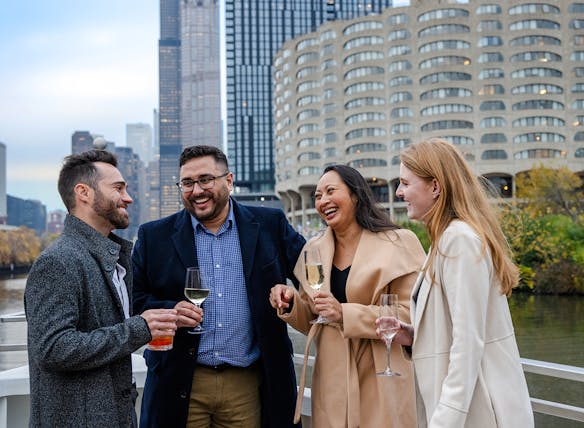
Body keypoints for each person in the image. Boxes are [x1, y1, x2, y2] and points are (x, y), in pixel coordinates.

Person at [132, 145, 305, 428]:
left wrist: (291, 296)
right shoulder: (154, 236)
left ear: (229, 180)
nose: (196, 190)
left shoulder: (270, 225)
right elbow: (134, 299)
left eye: (205, 179)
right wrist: (170, 310)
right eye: (187, 183)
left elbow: (312, 275)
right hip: (179, 383)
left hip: (248, 384)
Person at [383, 138, 534, 427]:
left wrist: (444, 420)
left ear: (435, 186)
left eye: (405, 183)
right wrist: (414, 337)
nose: (399, 192)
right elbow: (457, 328)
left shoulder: (458, 240)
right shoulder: (445, 239)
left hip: (479, 413)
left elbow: (468, 342)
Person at [24, 150, 179, 428]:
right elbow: (52, 348)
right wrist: (139, 329)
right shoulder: (58, 261)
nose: (128, 197)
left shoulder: (115, 259)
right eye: (118, 188)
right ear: (83, 192)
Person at [269, 165, 426, 427]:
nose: (323, 201)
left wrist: (345, 314)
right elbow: (312, 320)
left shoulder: (400, 242)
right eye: (317, 196)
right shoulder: (312, 250)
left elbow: (414, 314)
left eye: (331, 191)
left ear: (356, 195)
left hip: (382, 374)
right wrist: (291, 302)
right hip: (332, 382)